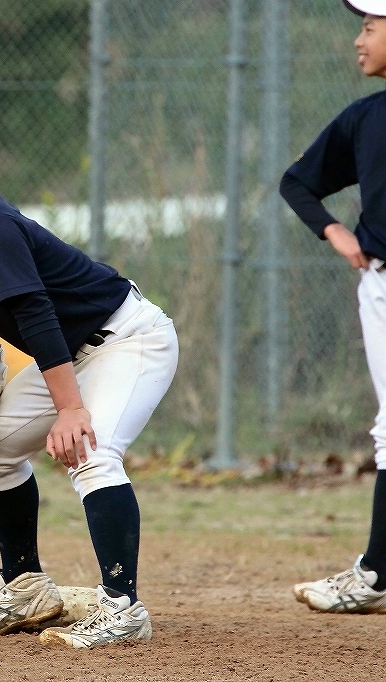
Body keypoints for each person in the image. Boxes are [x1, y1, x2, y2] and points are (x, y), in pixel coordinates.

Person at [0, 101, 179, 647]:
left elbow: (34, 311)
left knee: (90, 451)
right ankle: (26, 587)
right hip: (64, 355)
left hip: (127, 339)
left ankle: (124, 608)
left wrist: (70, 408)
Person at [280, 0, 386, 615]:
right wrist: (333, 231)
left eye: (370, 26)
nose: (358, 39)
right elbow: (299, 181)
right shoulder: (366, 119)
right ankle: (376, 572)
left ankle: (376, 572)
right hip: (381, 284)